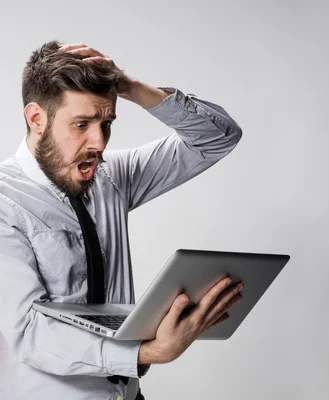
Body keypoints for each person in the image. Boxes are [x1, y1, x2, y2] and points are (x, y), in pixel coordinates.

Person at [0, 41, 244, 399]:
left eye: (106, 123)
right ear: (36, 118)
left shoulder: (112, 175)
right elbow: (28, 332)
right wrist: (148, 352)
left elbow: (218, 138)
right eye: (81, 124)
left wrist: (129, 87)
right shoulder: (4, 202)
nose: (98, 142)